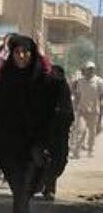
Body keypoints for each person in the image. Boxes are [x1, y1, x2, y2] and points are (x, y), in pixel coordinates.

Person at [0, 35, 57, 213]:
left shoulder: (43, 79)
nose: (21, 56)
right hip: (8, 143)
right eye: (17, 52)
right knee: (18, 187)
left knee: (23, 187)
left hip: (32, 142)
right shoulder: (5, 76)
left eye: (25, 51)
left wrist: (44, 143)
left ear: (32, 53)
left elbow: (49, 114)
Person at [40, 65, 75, 201]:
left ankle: (47, 182)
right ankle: (48, 187)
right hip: (46, 132)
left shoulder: (64, 89)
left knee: (60, 160)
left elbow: (69, 113)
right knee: (47, 159)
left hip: (61, 133)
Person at [72, 61, 103, 158]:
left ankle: (90, 150)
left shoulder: (99, 81)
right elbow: (77, 94)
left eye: (92, 69)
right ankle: (76, 152)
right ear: (85, 70)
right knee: (81, 130)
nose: (90, 71)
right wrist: (75, 105)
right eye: (88, 69)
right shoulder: (80, 81)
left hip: (94, 111)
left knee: (92, 132)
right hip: (82, 111)